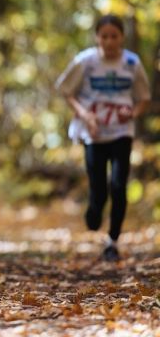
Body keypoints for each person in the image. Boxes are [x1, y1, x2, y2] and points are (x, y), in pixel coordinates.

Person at [55, 15, 150, 262]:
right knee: (98, 189)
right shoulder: (85, 61)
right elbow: (66, 91)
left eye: (114, 36)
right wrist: (85, 114)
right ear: (97, 37)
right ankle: (94, 208)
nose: (109, 42)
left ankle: (113, 241)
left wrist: (133, 112)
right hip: (94, 133)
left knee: (119, 185)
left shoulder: (131, 63)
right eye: (104, 36)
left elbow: (143, 98)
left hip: (121, 132)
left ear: (122, 38)